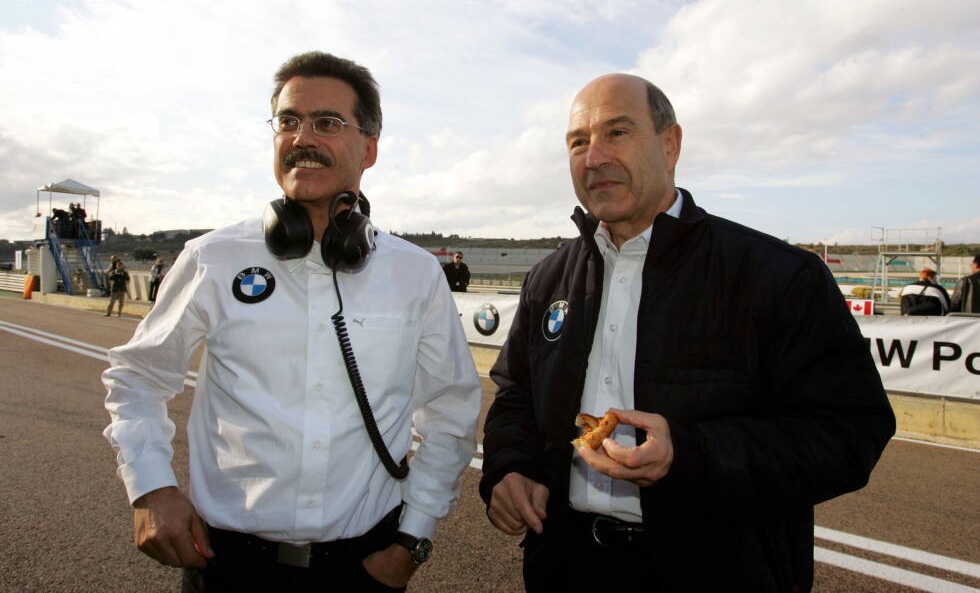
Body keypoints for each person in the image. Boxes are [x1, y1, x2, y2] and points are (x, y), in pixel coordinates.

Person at [479, 74, 895, 592]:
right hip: (565, 565)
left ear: (670, 145)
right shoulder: (548, 278)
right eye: (578, 142)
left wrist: (690, 455)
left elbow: (850, 431)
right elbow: (517, 394)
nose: (594, 158)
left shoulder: (778, 275)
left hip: (718, 571)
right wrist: (509, 467)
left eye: (618, 133)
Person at [102, 51, 482, 592]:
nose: (303, 137)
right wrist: (151, 488)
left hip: (363, 568)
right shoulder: (214, 257)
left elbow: (450, 411)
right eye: (288, 121)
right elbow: (137, 377)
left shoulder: (416, 273)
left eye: (328, 123)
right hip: (226, 566)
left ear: (369, 149)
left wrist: (412, 540)